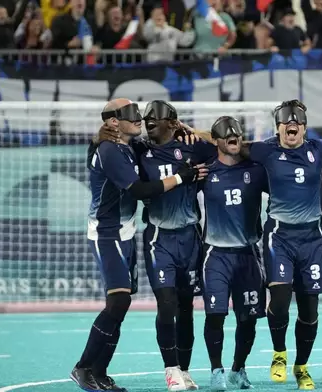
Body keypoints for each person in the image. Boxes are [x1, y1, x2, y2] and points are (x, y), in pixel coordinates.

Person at [72, 98, 201, 392]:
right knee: (118, 300)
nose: (140, 118)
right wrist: (182, 176)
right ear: (113, 121)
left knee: (122, 302)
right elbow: (141, 190)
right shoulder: (110, 151)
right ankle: (83, 367)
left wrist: (185, 128)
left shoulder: (128, 146)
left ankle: (100, 372)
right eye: (131, 113)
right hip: (108, 232)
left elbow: (164, 142)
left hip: (126, 230)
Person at [245, 100, 322, 390]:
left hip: (311, 238)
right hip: (279, 236)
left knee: (310, 311)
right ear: (279, 128)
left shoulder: (317, 149)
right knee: (281, 302)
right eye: (285, 123)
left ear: (304, 129)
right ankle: (279, 354)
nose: (290, 126)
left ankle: (302, 367)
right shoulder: (266, 149)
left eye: (296, 123)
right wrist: (191, 132)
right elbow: (230, 145)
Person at [138, 101, 215, 391]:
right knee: (166, 305)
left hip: (190, 237)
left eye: (154, 119)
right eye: (146, 119)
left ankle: (184, 369)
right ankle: (171, 370)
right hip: (159, 238)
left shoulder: (193, 146)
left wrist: (193, 130)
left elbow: (228, 144)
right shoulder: (140, 150)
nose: (148, 123)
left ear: (172, 122)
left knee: (186, 308)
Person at [199, 116, 268, 391]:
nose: (234, 139)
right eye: (227, 137)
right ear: (216, 141)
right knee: (215, 315)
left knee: (248, 318)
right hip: (215, 255)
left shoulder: (257, 170)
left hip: (249, 254)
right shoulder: (205, 172)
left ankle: (239, 369)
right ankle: (217, 370)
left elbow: (288, 188)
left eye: (238, 136)